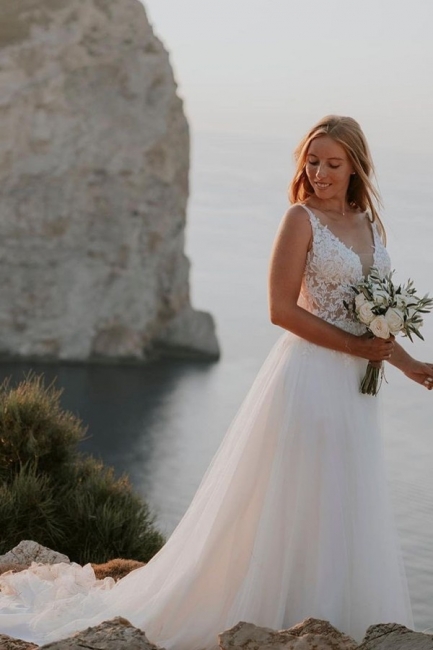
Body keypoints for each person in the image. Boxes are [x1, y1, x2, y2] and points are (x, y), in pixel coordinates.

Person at [0, 115, 431, 648]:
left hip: (355, 389)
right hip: (308, 379)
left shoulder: (367, 223)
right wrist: (355, 347)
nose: (319, 173)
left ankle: (333, 616)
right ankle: (270, 614)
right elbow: (279, 310)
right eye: (312, 161)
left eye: (332, 164)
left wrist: (408, 365)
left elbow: (375, 318)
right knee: (292, 497)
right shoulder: (300, 219)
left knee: (345, 498)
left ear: (356, 168)